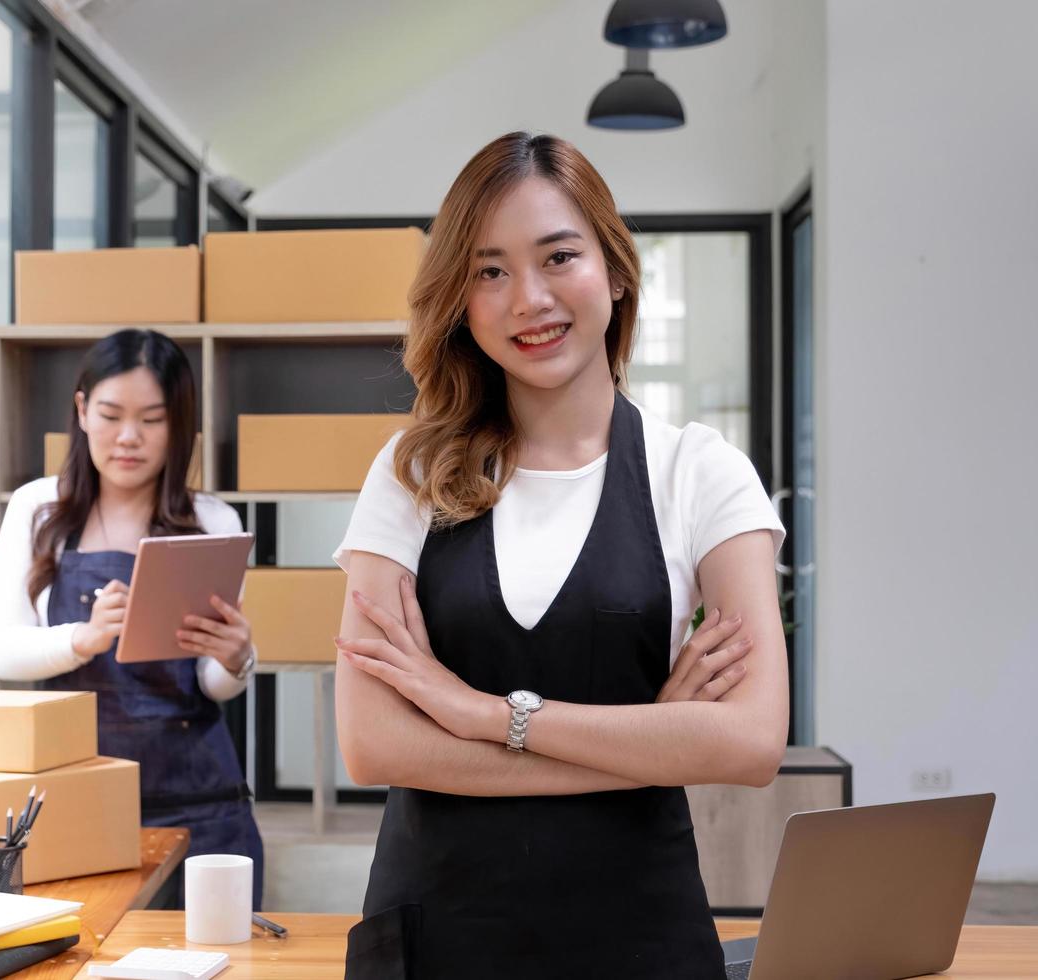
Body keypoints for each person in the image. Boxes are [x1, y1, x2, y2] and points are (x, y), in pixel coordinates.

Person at [332, 132, 788, 978]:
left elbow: (750, 743)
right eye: (488, 270)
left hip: (637, 937)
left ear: (614, 272)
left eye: (558, 257)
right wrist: (649, 743)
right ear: (460, 301)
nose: (527, 299)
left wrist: (481, 715)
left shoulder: (700, 473)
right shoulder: (411, 474)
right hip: (439, 938)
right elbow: (372, 744)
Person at [0, 328, 265, 909]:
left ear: (180, 424)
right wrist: (83, 639)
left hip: (202, 803)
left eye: (153, 420)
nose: (129, 438)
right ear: (82, 411)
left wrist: (237, 658)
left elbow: (212, 686)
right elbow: (3, 652)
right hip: (76, 796)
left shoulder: (212, 520)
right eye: (111, 415)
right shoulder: (38, 509)